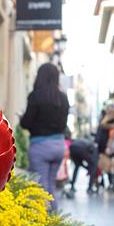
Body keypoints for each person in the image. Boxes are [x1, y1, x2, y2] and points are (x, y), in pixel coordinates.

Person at [21, 63, 69, 209]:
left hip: (40, 147)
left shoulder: (35, 97)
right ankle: (54, 222)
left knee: (41, 187)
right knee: (51, 185)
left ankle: (47, 225)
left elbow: (26, 123)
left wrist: (22, 117)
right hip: (58, 146)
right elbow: (63, 125)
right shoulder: (63, 98)